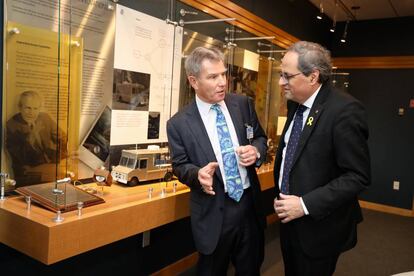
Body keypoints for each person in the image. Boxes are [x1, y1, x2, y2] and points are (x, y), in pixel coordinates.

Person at [167, 46, 268, 275]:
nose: (222, 82)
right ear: (193, 81)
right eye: (213, 77)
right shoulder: (179, 124)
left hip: (249, 206)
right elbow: (180, 165)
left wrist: (256, 151)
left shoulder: (242, 104)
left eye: (223, 74)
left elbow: (260, 137)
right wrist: (197, 175)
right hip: (213, 212)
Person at [273, 41, 371, 276]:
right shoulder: (295, 104)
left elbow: (357, 176)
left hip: (320, 227)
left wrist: (304, 205)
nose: (280, 82)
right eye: (280, 74)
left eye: (287, 76)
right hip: (290, 221)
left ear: (313, 76)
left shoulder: (345, 111)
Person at [6, 90, 67, 186]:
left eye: (35, 108)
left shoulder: (45, 118)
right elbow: (23, 157)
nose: (31, 113)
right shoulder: (12, 125)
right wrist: (32, 135)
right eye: (28, 108)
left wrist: (58, 157)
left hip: (50, 172)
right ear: (20, 107)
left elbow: (63, 138)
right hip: (28, 178)